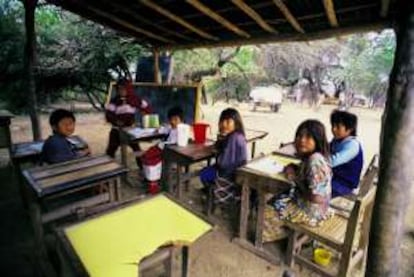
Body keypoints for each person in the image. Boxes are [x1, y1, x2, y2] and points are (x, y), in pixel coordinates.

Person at [281, 120, 332, 226]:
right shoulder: (312, 157)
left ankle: (288, 236)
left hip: (311, 213)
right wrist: (295, 169)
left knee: (265, 211)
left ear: (317, 140)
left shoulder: (315, 160)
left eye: (308, 137)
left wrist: (293, 177)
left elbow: (316, 198)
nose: (302, 140)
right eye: (299, 136)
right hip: (314, 208)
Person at [199, 108, 247, 201]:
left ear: (236, 123)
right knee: (209, 169)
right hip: (237, 173)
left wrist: (218, 153)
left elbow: (223, 164)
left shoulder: (233, 138)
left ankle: (212, 193)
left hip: (229, 175)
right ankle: (210, 190)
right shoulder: (239, 135)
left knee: (203, 173)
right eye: (222, 121)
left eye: (228, 121)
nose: (224, 124)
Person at [105, 78, 151, 168]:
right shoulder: (114, 101)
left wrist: (144, 112)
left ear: (129, 89)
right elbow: (108, 115)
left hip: (130, 131)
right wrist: (116, 121)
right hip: (116, 131)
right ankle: (107, 170)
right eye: (119, 89)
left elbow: (146, 107)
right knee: (110, 151)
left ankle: (142, 168)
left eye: (123, 89)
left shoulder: (134, 99)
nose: (121, 91)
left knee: (137, 150)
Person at [330, 110, 364, 198]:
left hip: (343, 184)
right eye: (333, 126)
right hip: (333, 178)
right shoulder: (337, 141)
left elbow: (332, 161)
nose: (333, 129)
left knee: (311, 187)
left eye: (338, 127)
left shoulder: (352, 145)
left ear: (350, 129)